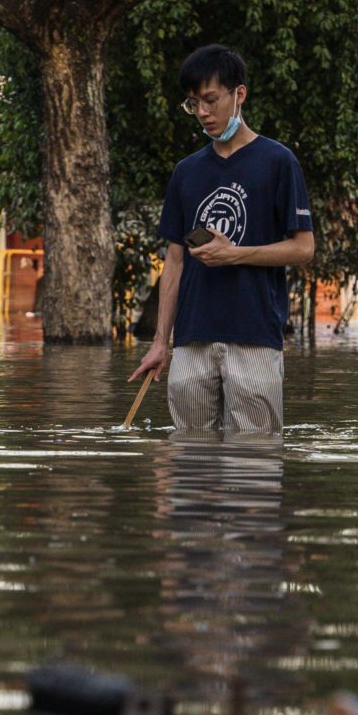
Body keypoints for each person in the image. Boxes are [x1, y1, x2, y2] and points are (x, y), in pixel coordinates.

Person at [129, 44, 314, 436]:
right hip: (192, 339)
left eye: (211, 100)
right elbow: (174, 261)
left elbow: (303, 248)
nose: (202, 113)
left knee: (254, 464)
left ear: (239, 94)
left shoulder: (278, 161)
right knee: (189, 464)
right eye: (193, 103)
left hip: (254, 336)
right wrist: (161, 342)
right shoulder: (187, 172)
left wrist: (234, 255)